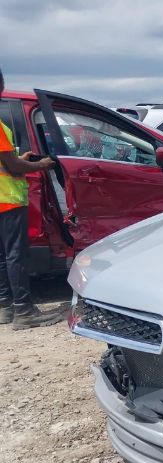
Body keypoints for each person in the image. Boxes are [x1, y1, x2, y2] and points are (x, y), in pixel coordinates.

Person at [0, 67, 63, 329]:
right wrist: (43, 165)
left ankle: (5, 308)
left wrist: (18, 160)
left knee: (2, 257)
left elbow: (7, 162)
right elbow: (12, 168)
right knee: (16, 255)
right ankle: (24, 312)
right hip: (8, 199)